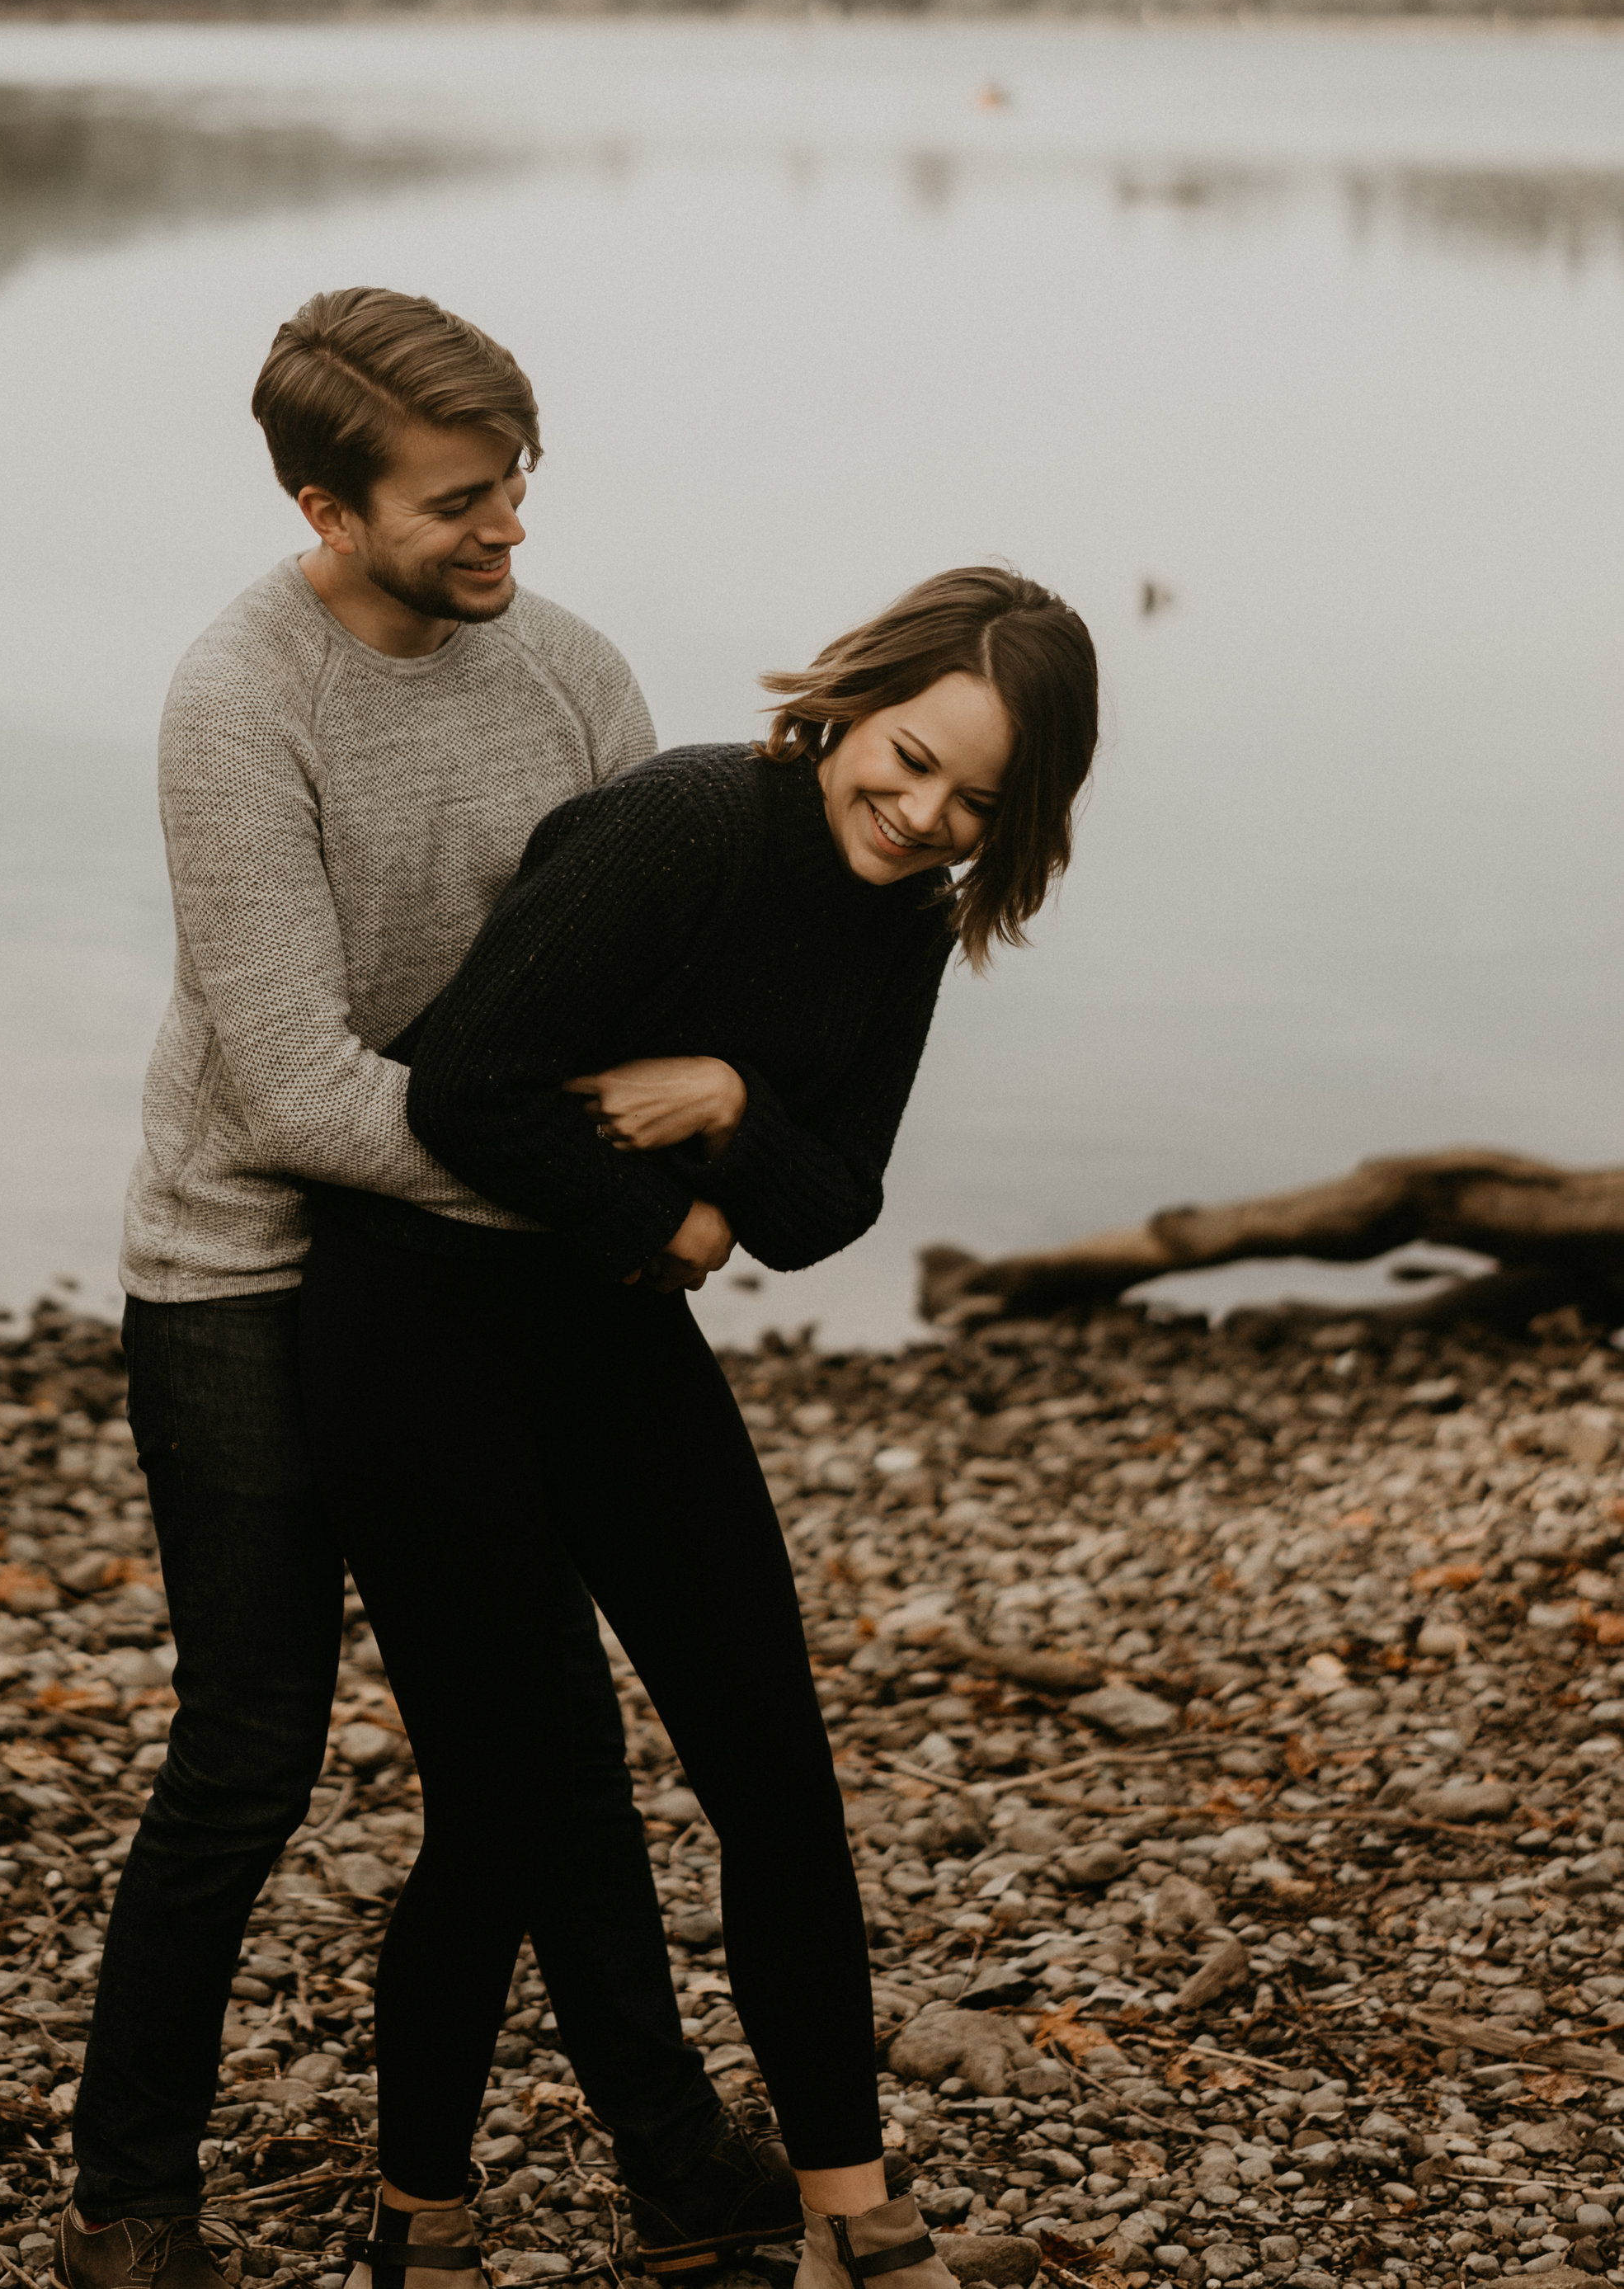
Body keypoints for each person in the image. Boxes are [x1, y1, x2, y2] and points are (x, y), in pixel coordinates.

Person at [60, 290, 796, 2289]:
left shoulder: (568, 676)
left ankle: (666, 2149)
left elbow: (675, 973)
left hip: (474, 1268)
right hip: (248, 1262)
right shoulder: (241, 698)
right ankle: (128, 2193)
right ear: (324, 505)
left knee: (533, 1735)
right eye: (459, 502)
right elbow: (294, 1087)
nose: (509, 535)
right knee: (250, 1748)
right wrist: (591, 1204)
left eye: (517, 486)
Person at [299, 568, 1099, 2289]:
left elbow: (830, 1203)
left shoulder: (903, 929)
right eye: (902, 760)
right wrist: (660, 1225)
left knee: (776, 1779)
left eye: (971, 802)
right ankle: (418, 2219)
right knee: (505, 1802)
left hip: (594, 1338)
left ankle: (847, 2218)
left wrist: (728, 1112)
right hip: (413, 1318)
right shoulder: (682, 828)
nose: (916, 814)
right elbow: (466, 1089)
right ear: (847, 703)